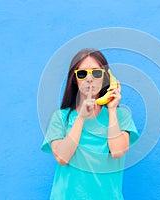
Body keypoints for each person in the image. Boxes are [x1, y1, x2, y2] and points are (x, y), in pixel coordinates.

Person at [41, 48, 139, 200]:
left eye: (96, 73)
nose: (89, 79)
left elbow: (117, 152)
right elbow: (62, 157)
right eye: (82, 73)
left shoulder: (121, 116)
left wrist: (112, 110)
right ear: (75, 79)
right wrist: (80, 118)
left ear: (105, 78)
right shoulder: (60, 117)